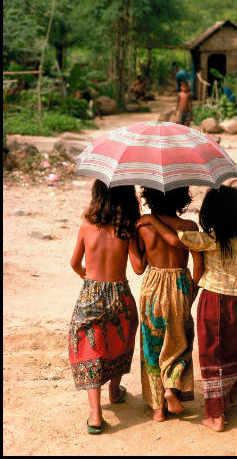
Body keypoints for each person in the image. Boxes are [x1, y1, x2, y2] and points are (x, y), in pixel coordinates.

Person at [137, 185, 237, 432]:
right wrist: (189, 294)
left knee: (167, 347)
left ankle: (177, 410)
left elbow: (158, 251)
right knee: (198, 346)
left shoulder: (205, 238)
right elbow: (198, 268)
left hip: (184, 296)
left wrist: (150, 219)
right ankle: (207, 395)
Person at [68, 180, 146, 434]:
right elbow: (137, 268)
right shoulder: (126, 229)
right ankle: (114, 391)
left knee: (91, 348)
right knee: (119, 342)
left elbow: (74, 263)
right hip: (119, 294)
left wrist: (88, 278)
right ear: (127, 198)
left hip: (91, 292)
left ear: (97, 196)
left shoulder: (86, 226)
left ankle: (95, 415)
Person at [136, 187, 204, 422]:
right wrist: (191, 292)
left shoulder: (144, 226)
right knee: (179, 342)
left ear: (149, 198)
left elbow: (137, 268)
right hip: (179, 286)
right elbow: (199, 267)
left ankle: (157, 409)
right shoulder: (189, 227)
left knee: (152, 345)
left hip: (152, 287)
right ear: (182, 198)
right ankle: (171, 389)